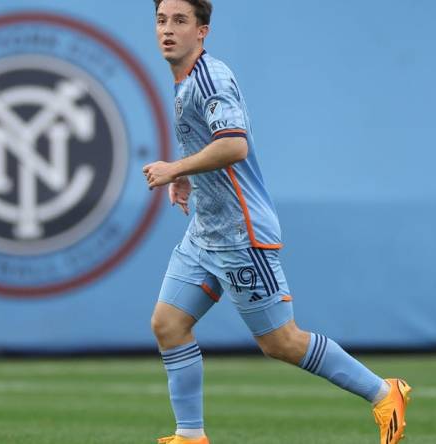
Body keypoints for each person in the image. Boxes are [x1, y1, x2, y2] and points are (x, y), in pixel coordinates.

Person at [143, 1, 411, 443]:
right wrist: (188, 177)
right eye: (161, 20)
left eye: (179, 21)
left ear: (202, 31)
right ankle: (190, 436)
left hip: (240, 235)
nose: (167, 30)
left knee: (281, 342)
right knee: (168, 324)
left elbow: (234, 146)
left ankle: (385, 393)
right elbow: (211, 145)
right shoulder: (185, 80)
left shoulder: (211, 79)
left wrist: (174, 168)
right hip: (205, 233)